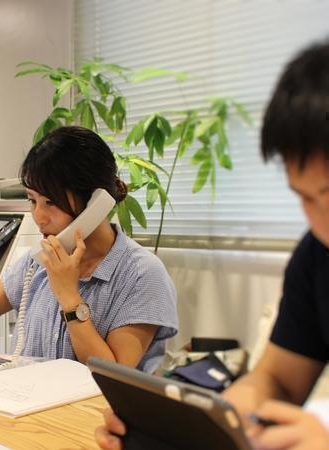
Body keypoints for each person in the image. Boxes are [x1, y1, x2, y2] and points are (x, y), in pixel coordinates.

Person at [95, 40, 329, 449]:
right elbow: (277, 379)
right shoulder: (316, 257)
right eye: (305, 199)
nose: (320, 223)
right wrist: (200, 426)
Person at [0, 126, 178, 371]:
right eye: (32, 200)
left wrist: (69, 296)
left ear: (96, 202)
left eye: (51, 202)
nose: (39, 217)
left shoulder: (142, 274)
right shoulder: (38, 260)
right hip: (24, 394)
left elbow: (112, 373)